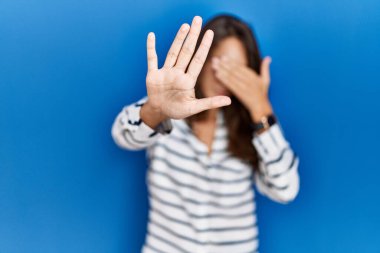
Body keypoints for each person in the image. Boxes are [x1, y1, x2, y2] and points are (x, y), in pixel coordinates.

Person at [111, 14, 300, 253]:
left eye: (236, 71)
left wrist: (260, 107)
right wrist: (155, 110)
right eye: (219, 62)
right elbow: (121, 135)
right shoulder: (168, 112)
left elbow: (286, 189)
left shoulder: (251, 128)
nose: (224, 77)